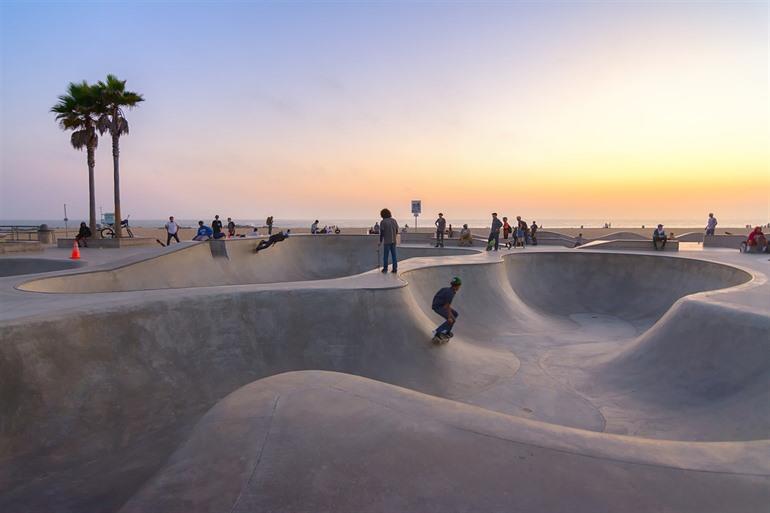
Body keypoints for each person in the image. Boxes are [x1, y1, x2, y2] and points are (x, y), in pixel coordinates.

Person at [431, 276, 462, 343]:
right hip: (438, 307)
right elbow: (446, 307)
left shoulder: (446, 289)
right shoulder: (451, 293)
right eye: (460, 286)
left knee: (455, 314)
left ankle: (446, 332)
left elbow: (438, 297)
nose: (459, 287)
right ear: (457, 286)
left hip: (439, 304)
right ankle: (437, 332)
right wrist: (449, 317)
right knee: (452, 319)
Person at [379, 208, 399, 273]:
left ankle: (385, 269)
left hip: (387, 241)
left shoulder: (383, 222)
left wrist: (380, 241)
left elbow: (382, 233)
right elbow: (396, 230)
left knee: (386, 256)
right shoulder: (394, 220)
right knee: (394, 255)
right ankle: (395, 269)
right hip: (394, 241)